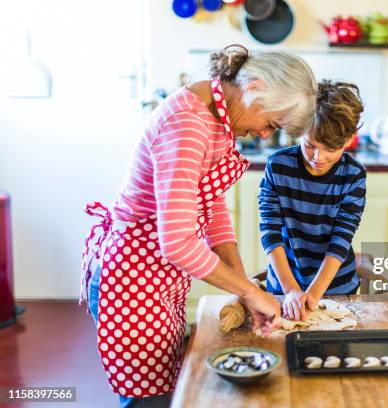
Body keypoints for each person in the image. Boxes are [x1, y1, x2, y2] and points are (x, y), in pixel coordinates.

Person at [80, 45, 317, 407]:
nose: (266, 135)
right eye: (271, 123)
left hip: (159, 281)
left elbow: (212, 209)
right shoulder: (188, 124)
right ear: (254, 87)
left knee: (169, 388)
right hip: (131, 283)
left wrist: (242, 289)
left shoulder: (216, 118)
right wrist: (254, 293)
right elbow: (176, 242)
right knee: (150, 400)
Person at [258, 80, 366, 322]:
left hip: (338, 290)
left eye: (331, 149)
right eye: (310, 146)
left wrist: (314, 294)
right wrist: (291, 290)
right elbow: (270, 232)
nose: (319, 157)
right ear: (299, 131)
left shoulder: (353, 175)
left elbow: (341, 239)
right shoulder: (277, 166)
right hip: (284, 287)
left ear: (349, 139)